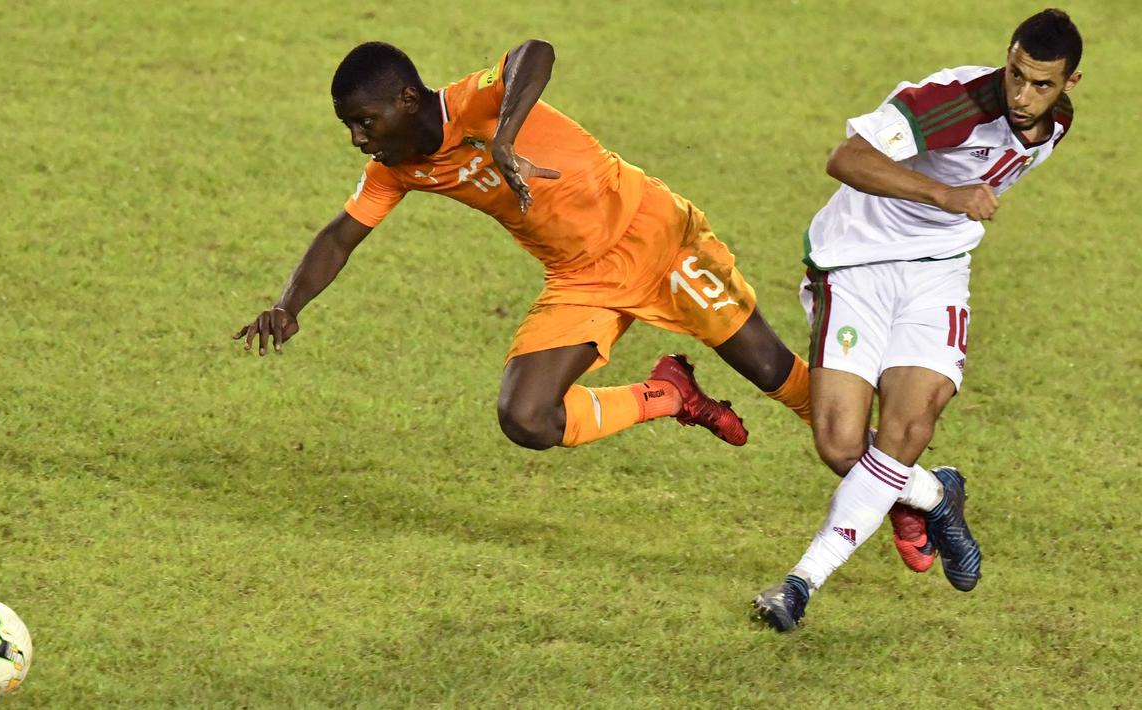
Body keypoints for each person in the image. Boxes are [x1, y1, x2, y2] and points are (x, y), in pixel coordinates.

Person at [235, 40, 815, 452]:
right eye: (349, 127)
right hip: (581, 278)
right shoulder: (398, 167)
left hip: (656, 236)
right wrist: (289, 304)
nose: (358, 139)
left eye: (365, 121)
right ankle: (667, 393)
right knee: (527, 417)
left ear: (407, 100)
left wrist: (504, 138)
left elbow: (534, 52)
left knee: (774, 373)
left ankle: (884, 471)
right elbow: (340, 236)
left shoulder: (473, 103)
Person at [754, 9, 1082, 631]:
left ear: (1070, 84)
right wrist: (944, 195)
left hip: (937, 273)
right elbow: (845, 159)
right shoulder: (951, 101)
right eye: (1016, 75)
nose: (1022, 95)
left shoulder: (1055, 124)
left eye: (1042, 84)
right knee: (841, 444)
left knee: (909, 424)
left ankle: (799, 585)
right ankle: (934, 494)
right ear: (1005, 59)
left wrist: (950, 219)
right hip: (856, 262)